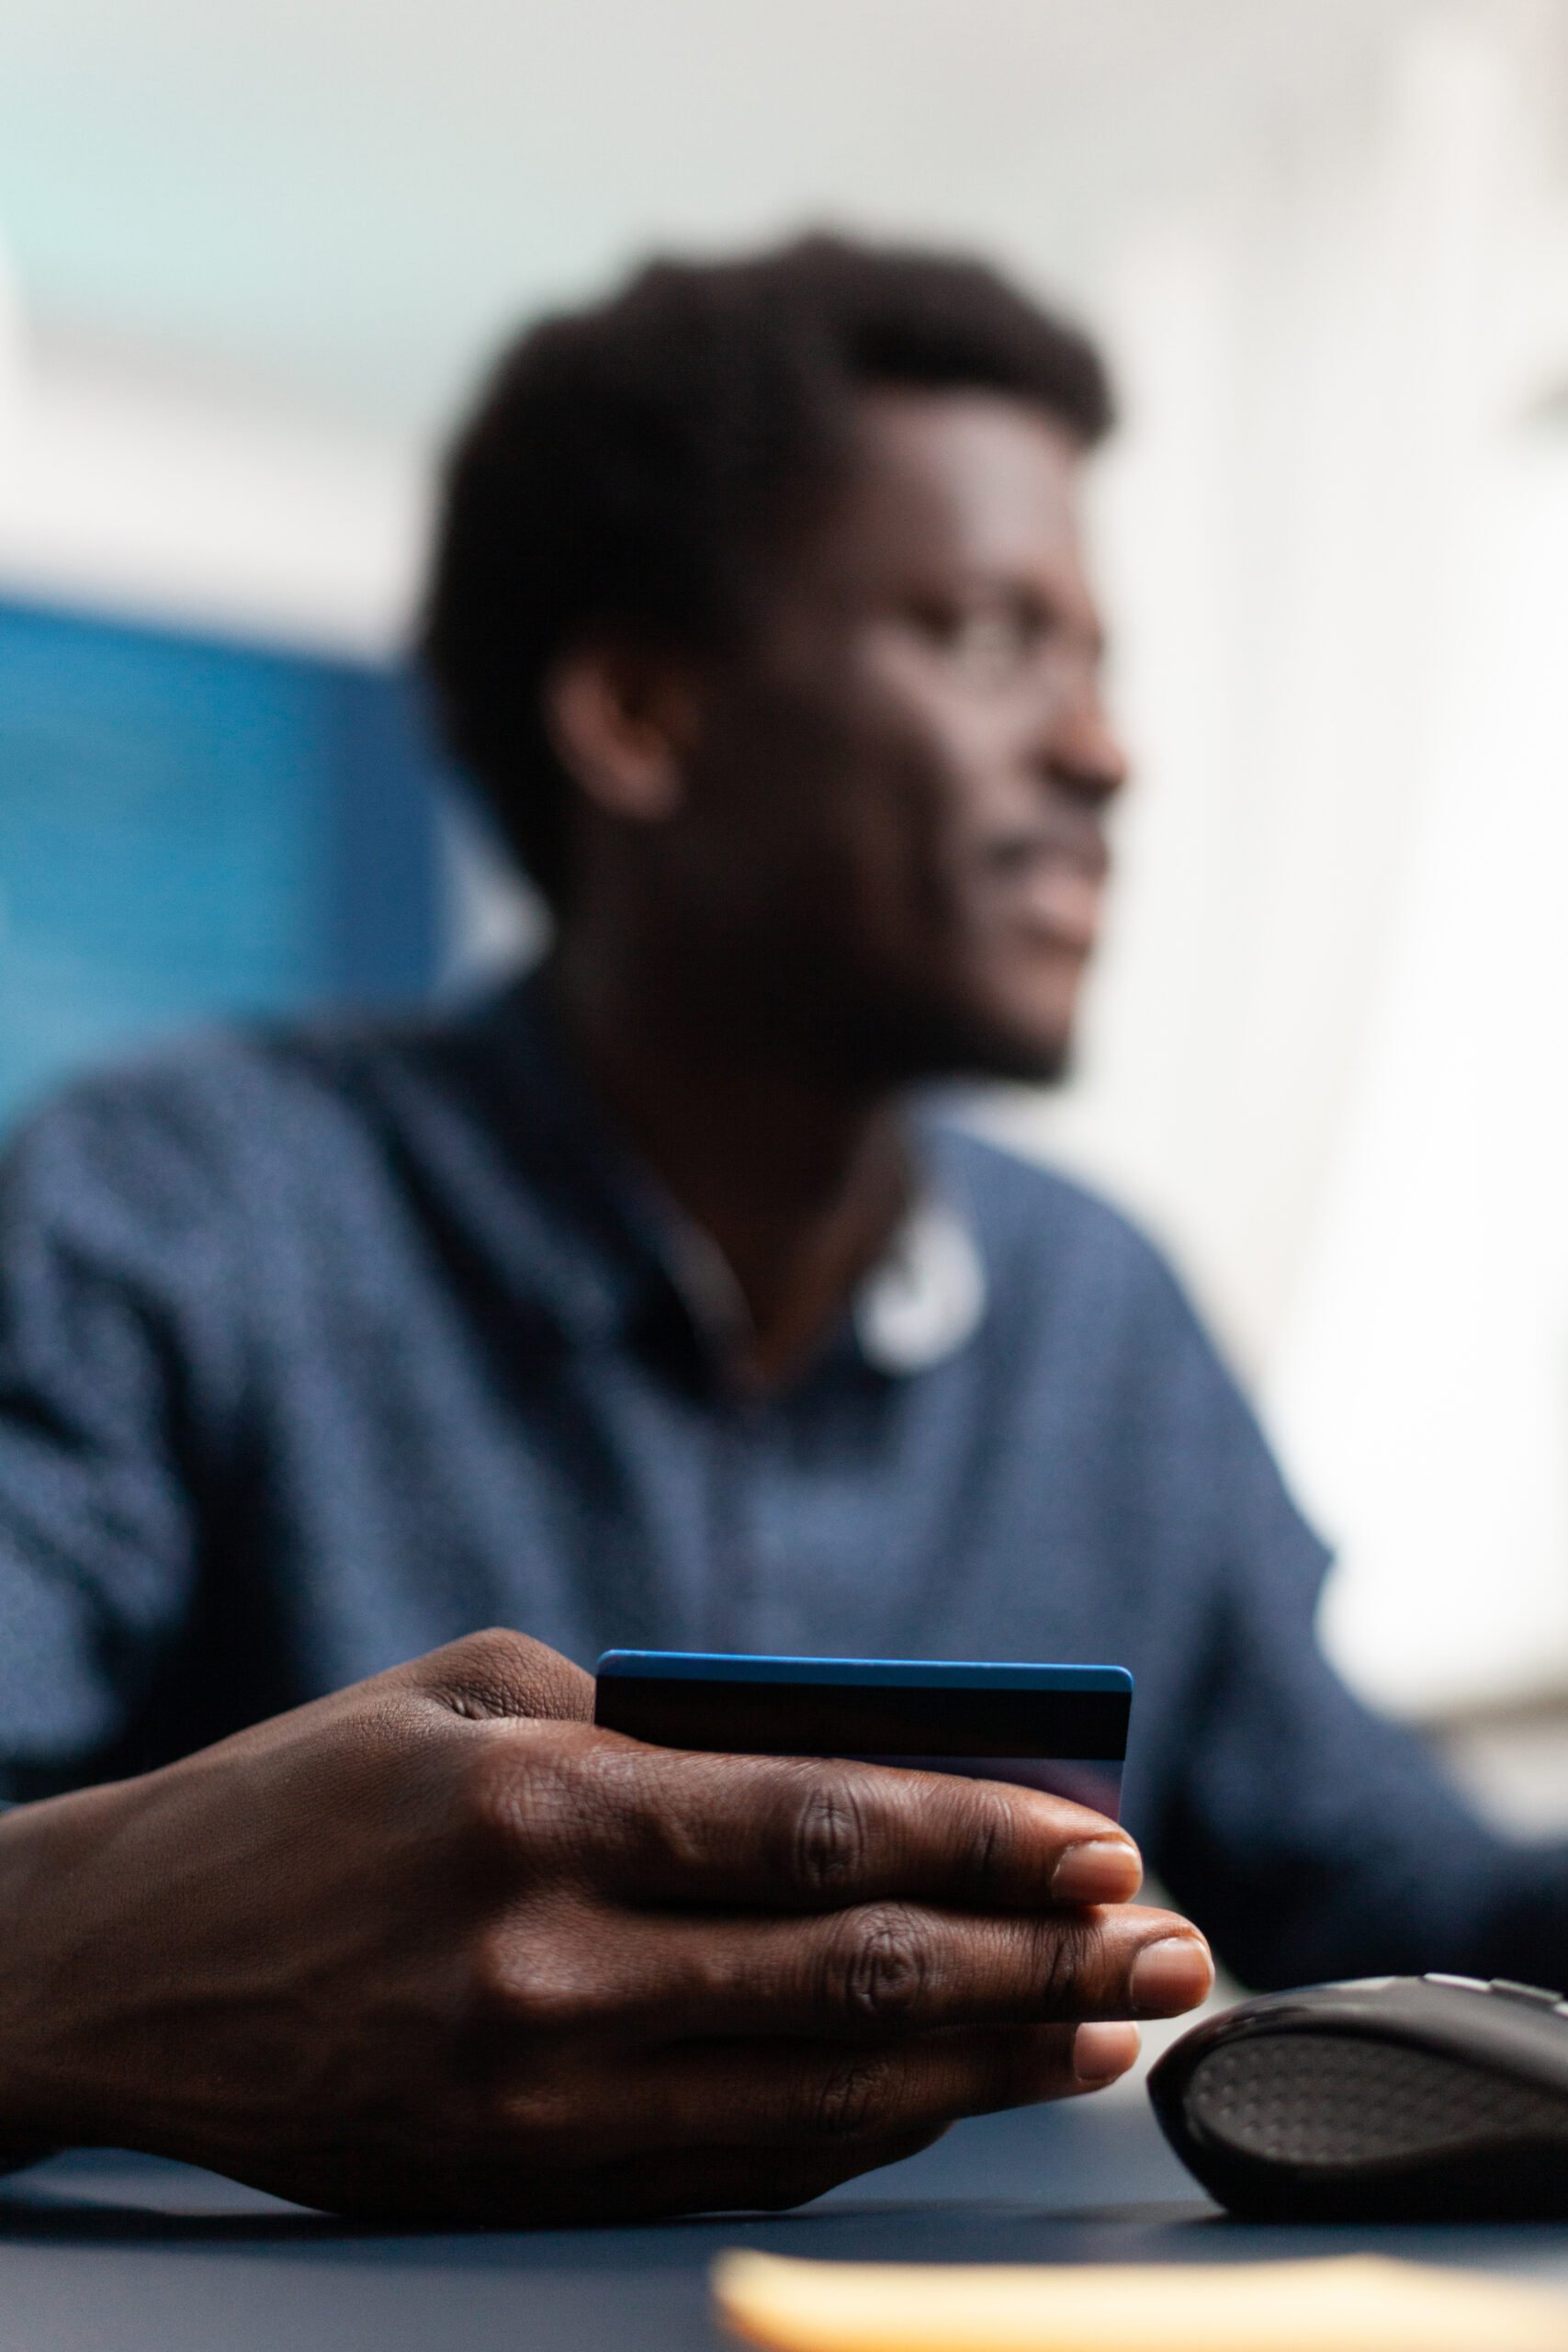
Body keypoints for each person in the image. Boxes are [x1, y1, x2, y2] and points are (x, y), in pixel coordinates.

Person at [0, 235, 1559, 2225]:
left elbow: (1395, 1886)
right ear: (642, 711)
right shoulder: (176, 1198)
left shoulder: (1102, 1305)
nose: (1099, 752)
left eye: (1095, 661)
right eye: (985, 634)